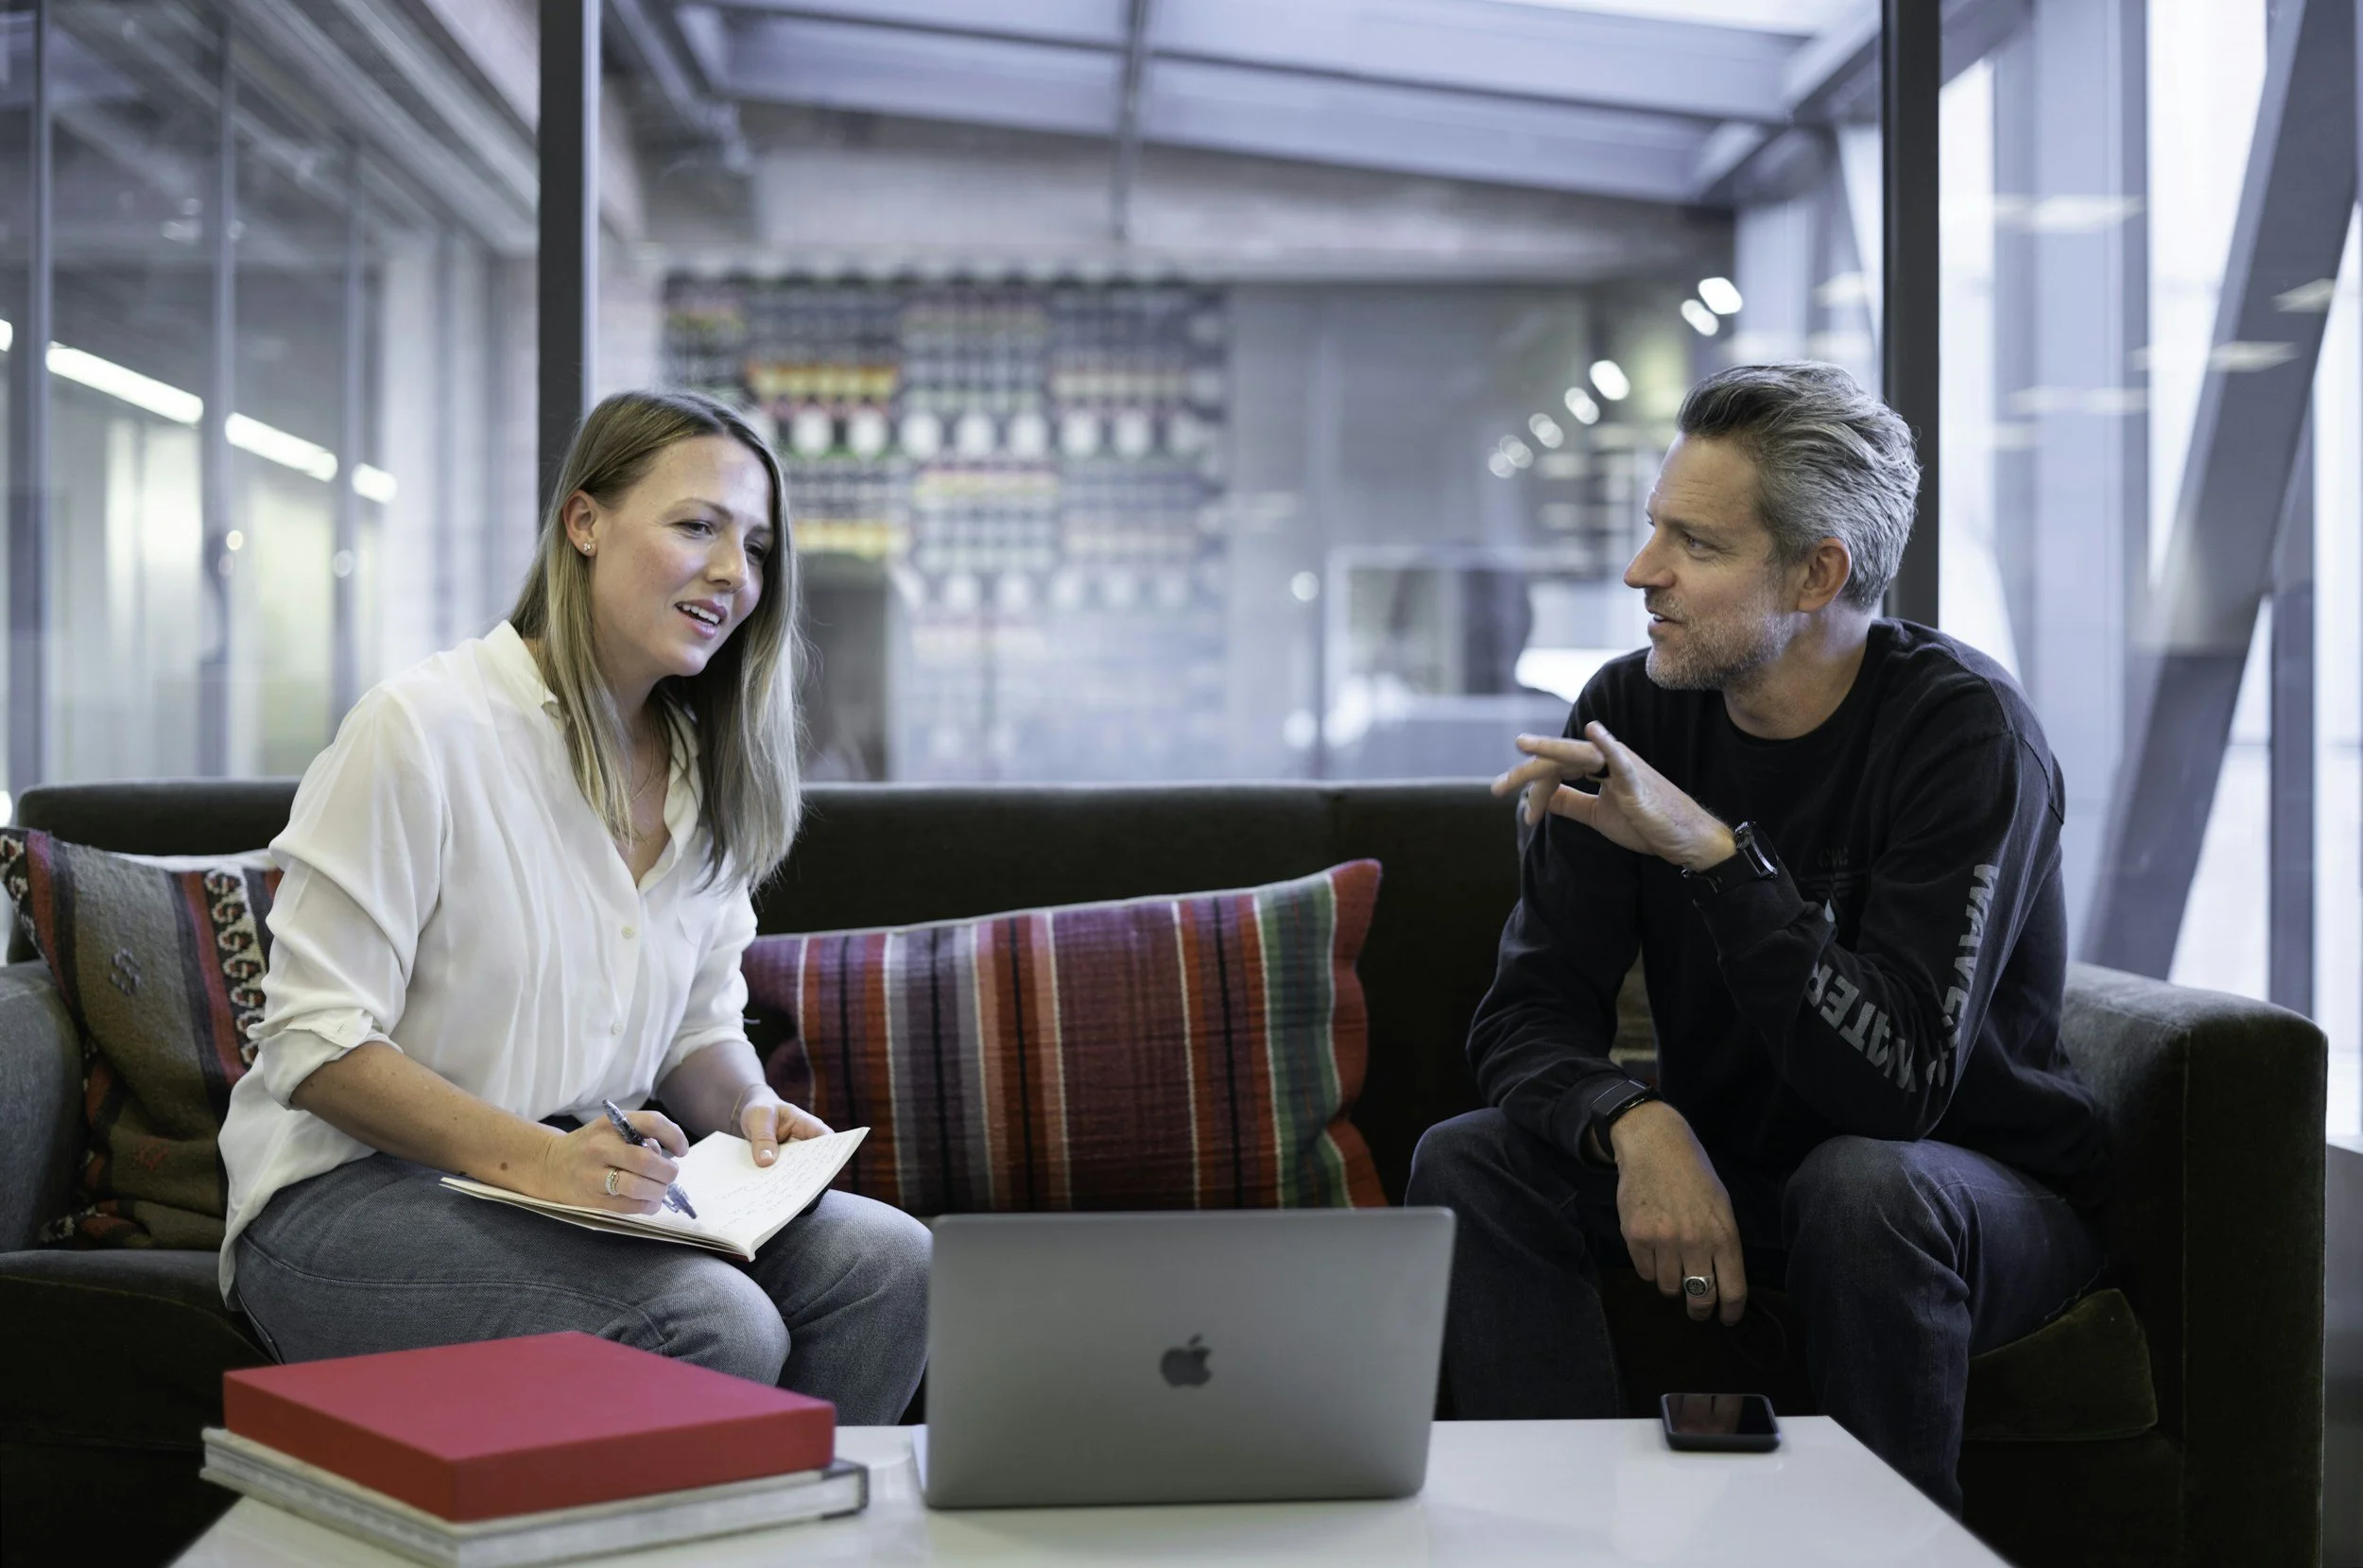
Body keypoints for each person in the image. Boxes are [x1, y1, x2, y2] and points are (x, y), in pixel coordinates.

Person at [1405, 363, 2108, 1512]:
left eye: (1695, 544)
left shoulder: (1963, 733)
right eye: (1652, 531)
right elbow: (1525, 1017)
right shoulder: (1630, 711)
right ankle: (1553, 1541)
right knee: (1467, 1159)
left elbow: (1899, 1091)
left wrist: (1718, 856)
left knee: (1861, 1185)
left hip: (1970, 1196)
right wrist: (1633, 1120)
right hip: (1747, 1174)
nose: (1643, 574)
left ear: (1816, 572)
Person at [217, 390, 930, 1422]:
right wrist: (547, 1162)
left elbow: (697, 1025)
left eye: (758, 547)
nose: (736, 574)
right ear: (584, 523)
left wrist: (745, 1109)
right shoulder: (421, 730)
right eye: (697, 527)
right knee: (715, 1323)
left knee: (892, 1265)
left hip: (582, 1189)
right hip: (352, 1195)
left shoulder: (701, 768)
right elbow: (314, 1043)